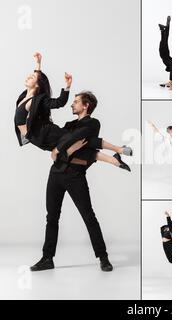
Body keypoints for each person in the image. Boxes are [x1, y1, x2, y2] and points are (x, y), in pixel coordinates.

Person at [30, 91, 114, 272]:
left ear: (86, 106)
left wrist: (61, 149)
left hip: (75, 176)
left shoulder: (92, 123)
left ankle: (103, 257)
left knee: (88, 216)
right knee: (51, 217)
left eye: (76, 102)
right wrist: (65, 150)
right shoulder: (69, 125)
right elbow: (63, 146)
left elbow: (73, 142)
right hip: (56, 173)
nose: (72, 104)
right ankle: (47, 258)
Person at [15, 53, 132, 170]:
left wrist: (67, 86)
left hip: (47, 135)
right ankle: (115, 159)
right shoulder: (25, 96)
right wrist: (38, 63)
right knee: (77, 149)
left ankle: (118, 150)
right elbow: (38, 77)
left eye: (31, 77)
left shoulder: (38, 100)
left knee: (81, 141)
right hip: (39, 139)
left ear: (37, 85)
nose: (28, 77)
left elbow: (59, 102)